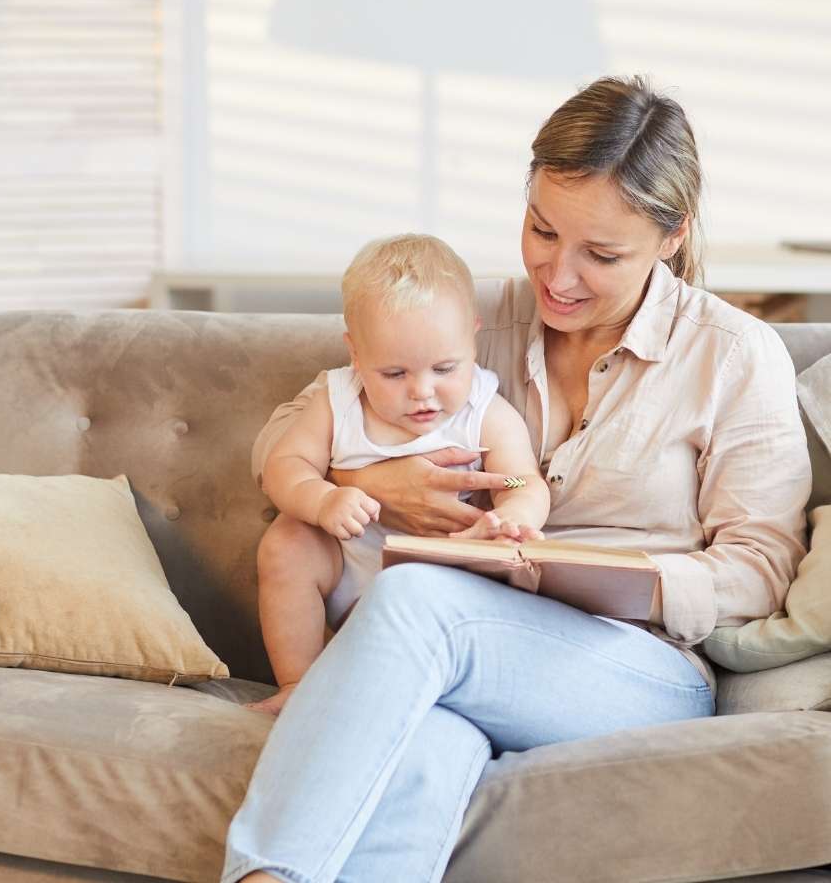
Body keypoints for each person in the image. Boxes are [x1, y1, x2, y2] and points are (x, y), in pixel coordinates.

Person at [223, 75, 812, 883]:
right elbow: (280, 440)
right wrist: (380, 479)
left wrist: (616, 579)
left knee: (417, 603)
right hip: (464, 659)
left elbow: (759, 566)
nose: (558, 276)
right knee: (425, 746)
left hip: (634, 667)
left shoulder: (733, 356)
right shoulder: (469, 319)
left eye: (601, 255)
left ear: (672, 236)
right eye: (542, 231)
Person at [246, 234, 550, 716]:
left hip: (443, 581)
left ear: (472, 337)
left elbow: (520, 480)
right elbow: (287, 465)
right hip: (346, 568)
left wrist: (510, 516)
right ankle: (298, 684)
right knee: (286, 543)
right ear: (356, 354)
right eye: (393, 374)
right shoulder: (338, 400)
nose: (422, 392)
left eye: (445, 368)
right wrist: (322, 499)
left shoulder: (481, 409)